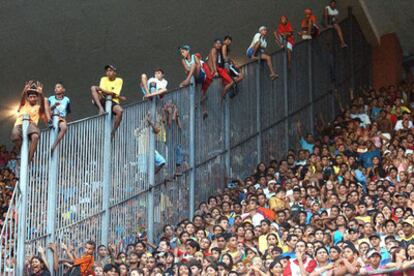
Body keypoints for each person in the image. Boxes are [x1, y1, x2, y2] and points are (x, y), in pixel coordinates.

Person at [11, 81, 48, 162]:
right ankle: (23, 153)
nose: (32, 98)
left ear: (37, 98)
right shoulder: (24, 104)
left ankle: (29, 158)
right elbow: (22, 98)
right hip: (20, 124)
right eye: (30, 97)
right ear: (28, 98)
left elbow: (43, 104)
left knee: (35, 136)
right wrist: (25, 90)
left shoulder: (38, 107)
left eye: (34, 97)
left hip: (31, 124)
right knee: (15, 136)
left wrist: (41, 94)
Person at [179, 45, 213, 119]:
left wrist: (190, 69)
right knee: (181, 85)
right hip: (192, 76)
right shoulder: (183, 60)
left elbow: (198, 66)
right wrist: (189, 69)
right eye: (181, 53)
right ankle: (193, 103)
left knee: (194, 65)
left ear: (188, 51)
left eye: (183, 52)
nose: (182, 54)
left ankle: (188, 79)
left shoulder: (194, 56)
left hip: (199, 75)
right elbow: (186, 68)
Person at [91, 65, 126, 136]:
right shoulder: (103, 79)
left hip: (113, 101)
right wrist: (115, 95)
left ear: (115, 72)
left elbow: (113, 94)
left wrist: (105, 91)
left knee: (120, 111)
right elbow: (102, 92)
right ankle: (101, 109)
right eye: (107, 71)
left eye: (110, 70)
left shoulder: (119, 80)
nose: (108, 72)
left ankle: (113, 132)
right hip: (103, 99)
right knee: (93, 88)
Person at [48, 82, 71, 152]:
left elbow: (68, 111)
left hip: (61, 118)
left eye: (58, 87)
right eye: (55, 88)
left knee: (64, 128)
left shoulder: (66, 99)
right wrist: (54, 105)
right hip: (51, 117)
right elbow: (46, 110)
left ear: (63, 90)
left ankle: (53, 146)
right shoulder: (51, 98)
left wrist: (64, 121)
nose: (56, 89)